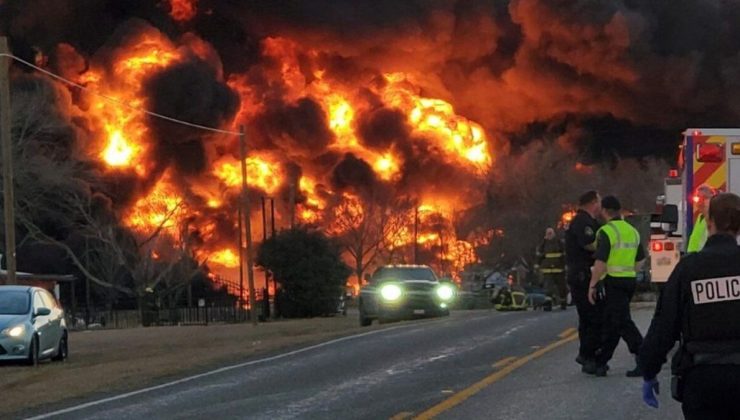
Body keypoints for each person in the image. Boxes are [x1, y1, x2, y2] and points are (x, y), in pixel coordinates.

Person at [639, 192, 740, 419]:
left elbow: (664, 326)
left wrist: (649, 369)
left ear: (709, 222)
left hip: (702, 380)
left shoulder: (688, 269)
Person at [587, 196, 645, 377]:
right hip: (629, 281)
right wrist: (631, 271)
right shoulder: (632, 231)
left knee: (622, 322)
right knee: (615, 321)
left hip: (613, 281)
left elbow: (601, 262)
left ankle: (644, 355)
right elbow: (641, 258)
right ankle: (601, 361)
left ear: (604, 211)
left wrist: (593, 285)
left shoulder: (606, 231)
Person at [565, 190, 602, 370]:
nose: (600, 205)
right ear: (593, 202)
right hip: (581, 275)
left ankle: (589, 354)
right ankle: (587, 355)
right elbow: (589, 244)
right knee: (590, 316)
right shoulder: (582, 222)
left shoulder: (590, 221)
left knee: (592, 316)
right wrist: (606, 248)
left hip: (586, 273)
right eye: (599, 201)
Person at [536, 227, 568, 310]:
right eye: (548, 233)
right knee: (548, 288)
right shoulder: (543, 244)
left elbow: (564, 254)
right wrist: (537, 264)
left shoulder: (559, 242)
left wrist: (565, 265)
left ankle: (563, 302)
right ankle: (548, 305)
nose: (549, 235)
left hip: (559, 269)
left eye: (551, 233)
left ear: (554, 234)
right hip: (548, 270)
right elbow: (539, 255)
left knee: (562, 287)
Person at [686, 184, 715, 253]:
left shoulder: (714, 219)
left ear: (713, 199)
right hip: (695, 258)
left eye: (705, 198)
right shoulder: (700, 217)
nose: (700, 202)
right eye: (698, 198)